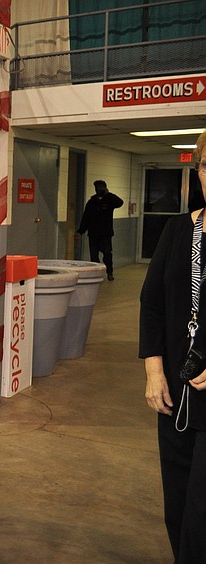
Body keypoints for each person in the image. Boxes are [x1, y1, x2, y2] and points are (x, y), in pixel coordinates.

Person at [140, 129, 206, 563]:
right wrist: (154, 371)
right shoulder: (179, 228)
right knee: (178, 505)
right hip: (176, 394)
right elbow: (152, 302)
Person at [76, 179, 124, 280]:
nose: (98, 189)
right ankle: (96, 274)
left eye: (100, 187)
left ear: (105, 187)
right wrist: (80, 231)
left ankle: (109, 272)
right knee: (94, 256)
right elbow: (86, 218)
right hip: (93, 233)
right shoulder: (91, 202)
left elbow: (120, 203)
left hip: (106, 233)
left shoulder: (110, 200)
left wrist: (109, 194)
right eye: (97, 187)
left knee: (107, 254)